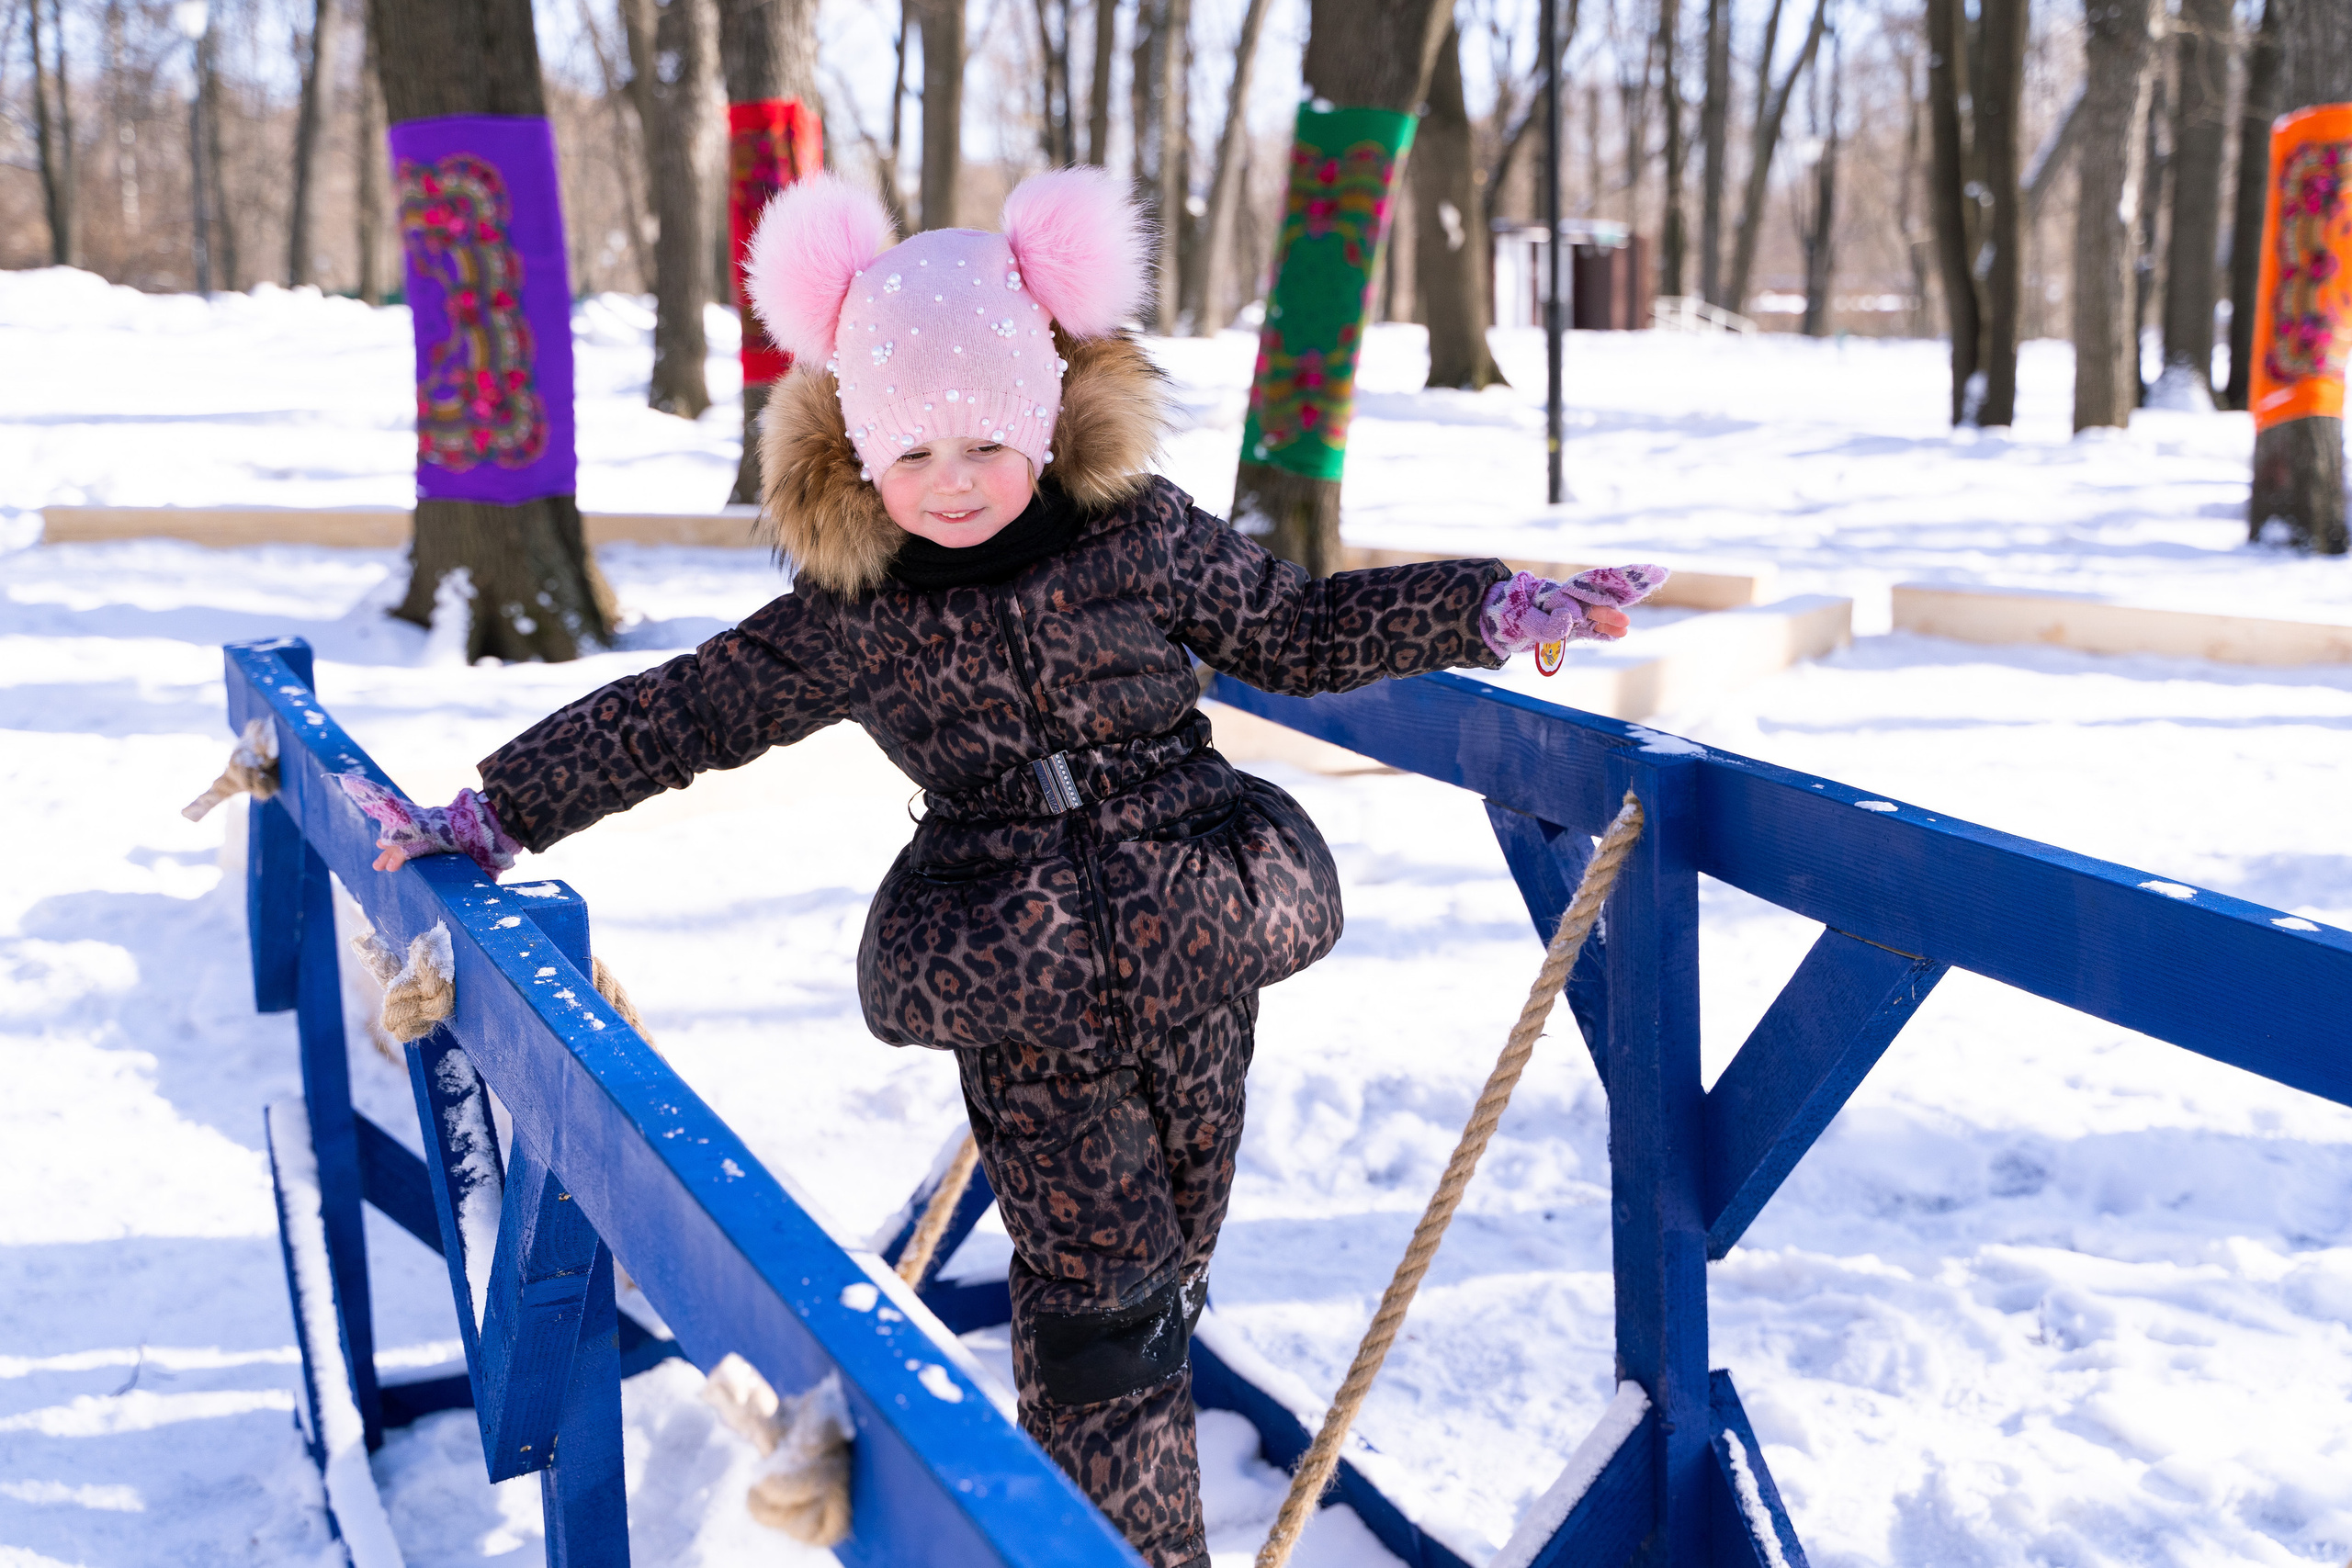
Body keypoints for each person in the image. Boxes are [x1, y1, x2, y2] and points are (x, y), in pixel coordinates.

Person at [347, 167, 1663, 1568]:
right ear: (861, 457)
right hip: (1014, 961)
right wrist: (503, 808)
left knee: (1169, 1265)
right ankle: (1121, 1550)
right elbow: (689, 711)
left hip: (1198, 920)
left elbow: (1300, 627)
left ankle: (1103, 1485)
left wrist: (1485, 602)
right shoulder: (857, 611)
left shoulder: (1142, 539)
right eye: (911, 456)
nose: (953, 483)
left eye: (983, 442)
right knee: (1099, 1301)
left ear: (1041, 418)